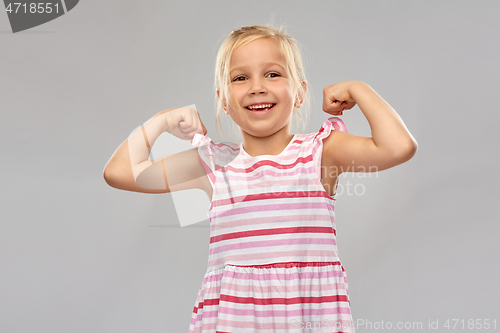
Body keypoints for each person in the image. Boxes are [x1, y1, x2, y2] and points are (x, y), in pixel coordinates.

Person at [103, 24, 417, 333]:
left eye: (273, 74)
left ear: (300, 92)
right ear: (223, 100)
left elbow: (398, 147)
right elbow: (119, 172)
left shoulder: (321, 152)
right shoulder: (213, 164)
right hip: (235, 320)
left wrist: (358, 89)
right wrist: (164, 120)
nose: (257, 87)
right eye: (240, 78)